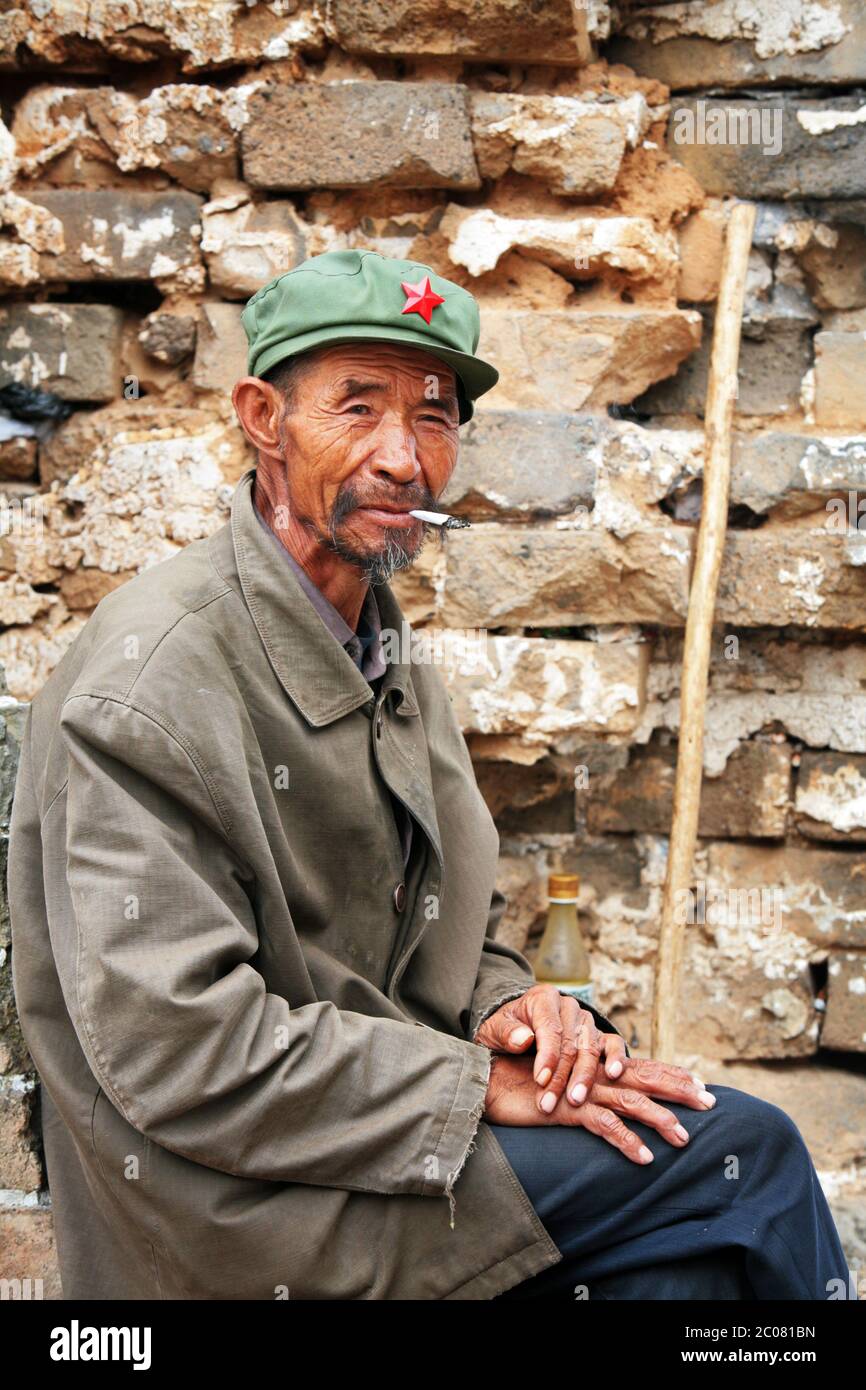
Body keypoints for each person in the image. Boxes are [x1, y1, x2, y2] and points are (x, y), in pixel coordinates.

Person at [8, 249, 849, 1300]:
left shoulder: (382, 651)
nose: (403, 458)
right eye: (356, 409)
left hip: (365, 1135)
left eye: (435, 416)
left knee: (684, 1275)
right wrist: (472, 1083)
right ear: (262, 418)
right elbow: (180, 1051)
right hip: (231, 1204)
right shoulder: (152, 683)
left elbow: (440, 927)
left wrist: (507, 1008)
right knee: (745, 1152)